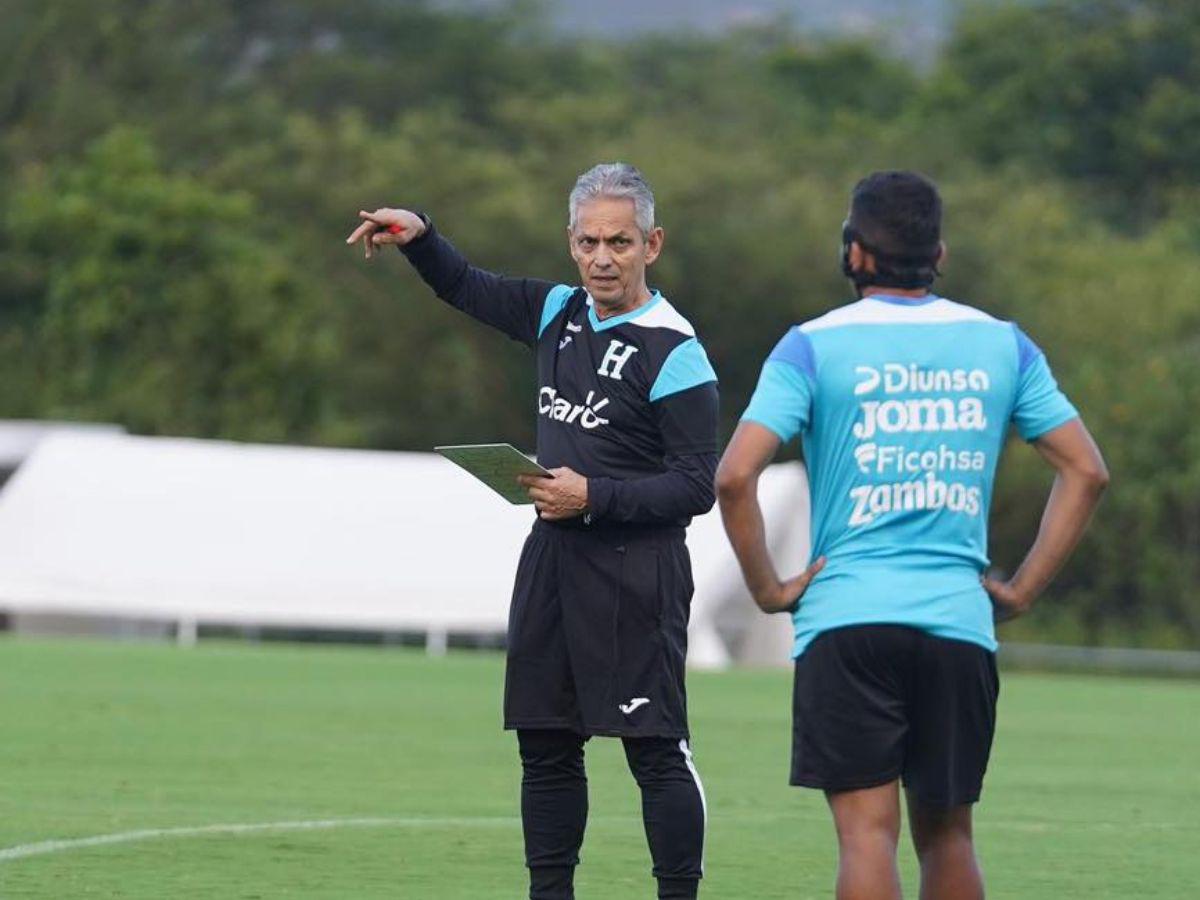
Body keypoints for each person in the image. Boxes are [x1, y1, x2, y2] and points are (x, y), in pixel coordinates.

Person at [715, 171, 1108, 900]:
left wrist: (770, 588)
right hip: (958, 623)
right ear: (940, 254)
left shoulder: (811, 346)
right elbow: (1086, 470)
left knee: (868, 837)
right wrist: (1018, 590)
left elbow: (736, 476)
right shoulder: (1003, 344)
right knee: (949, 836)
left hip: (846, 619)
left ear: (854, 253)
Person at [346, 163, 717, 900]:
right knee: (546, 747)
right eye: (588, 242)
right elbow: (466, 285)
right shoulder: (557, 312)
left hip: (637, 573)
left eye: (619, 241)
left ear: (653, 244)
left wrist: (595, 495)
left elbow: (696, 486)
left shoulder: (676, 351)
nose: (602, 258)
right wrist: (420, 235)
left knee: (653, 753)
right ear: (571, 242)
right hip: (553, 562)